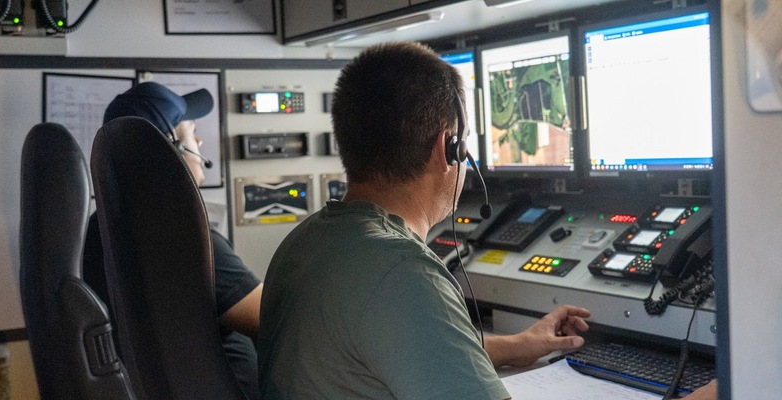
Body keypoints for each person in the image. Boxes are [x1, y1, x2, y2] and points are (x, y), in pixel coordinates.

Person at [256, 42, 717, 400]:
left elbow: (390, 353)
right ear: (448, 147)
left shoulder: (306, 242)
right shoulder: (400, 271)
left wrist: (516, 345)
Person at [83, 82, 263, 399]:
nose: (201, 141)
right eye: (192, 132)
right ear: (173, 147)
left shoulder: (100, 228)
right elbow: (273, 320)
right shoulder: (180, 235)